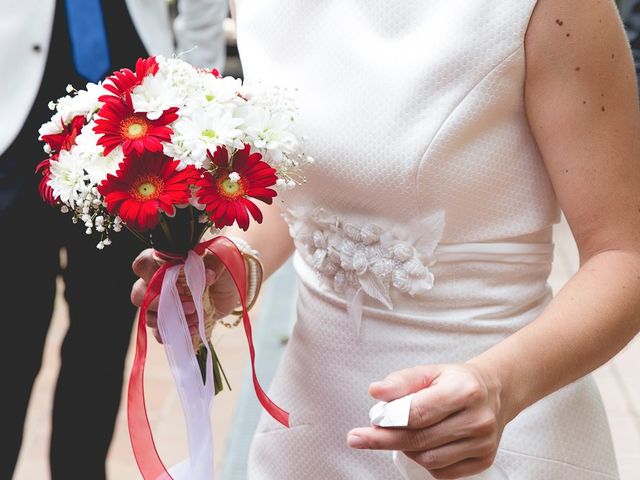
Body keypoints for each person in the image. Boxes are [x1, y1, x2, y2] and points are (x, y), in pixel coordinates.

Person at [131, 0, 640, 478]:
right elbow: (306, 182)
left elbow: (624, 254)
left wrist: (500, 385)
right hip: (311, 433)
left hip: (494, 431)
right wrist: (233, 264)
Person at [0, 1, 227, 479]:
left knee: (103, 333)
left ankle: (80, 470)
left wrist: (198, 98)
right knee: (10, 329)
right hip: (14, 118)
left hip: (136, 119)